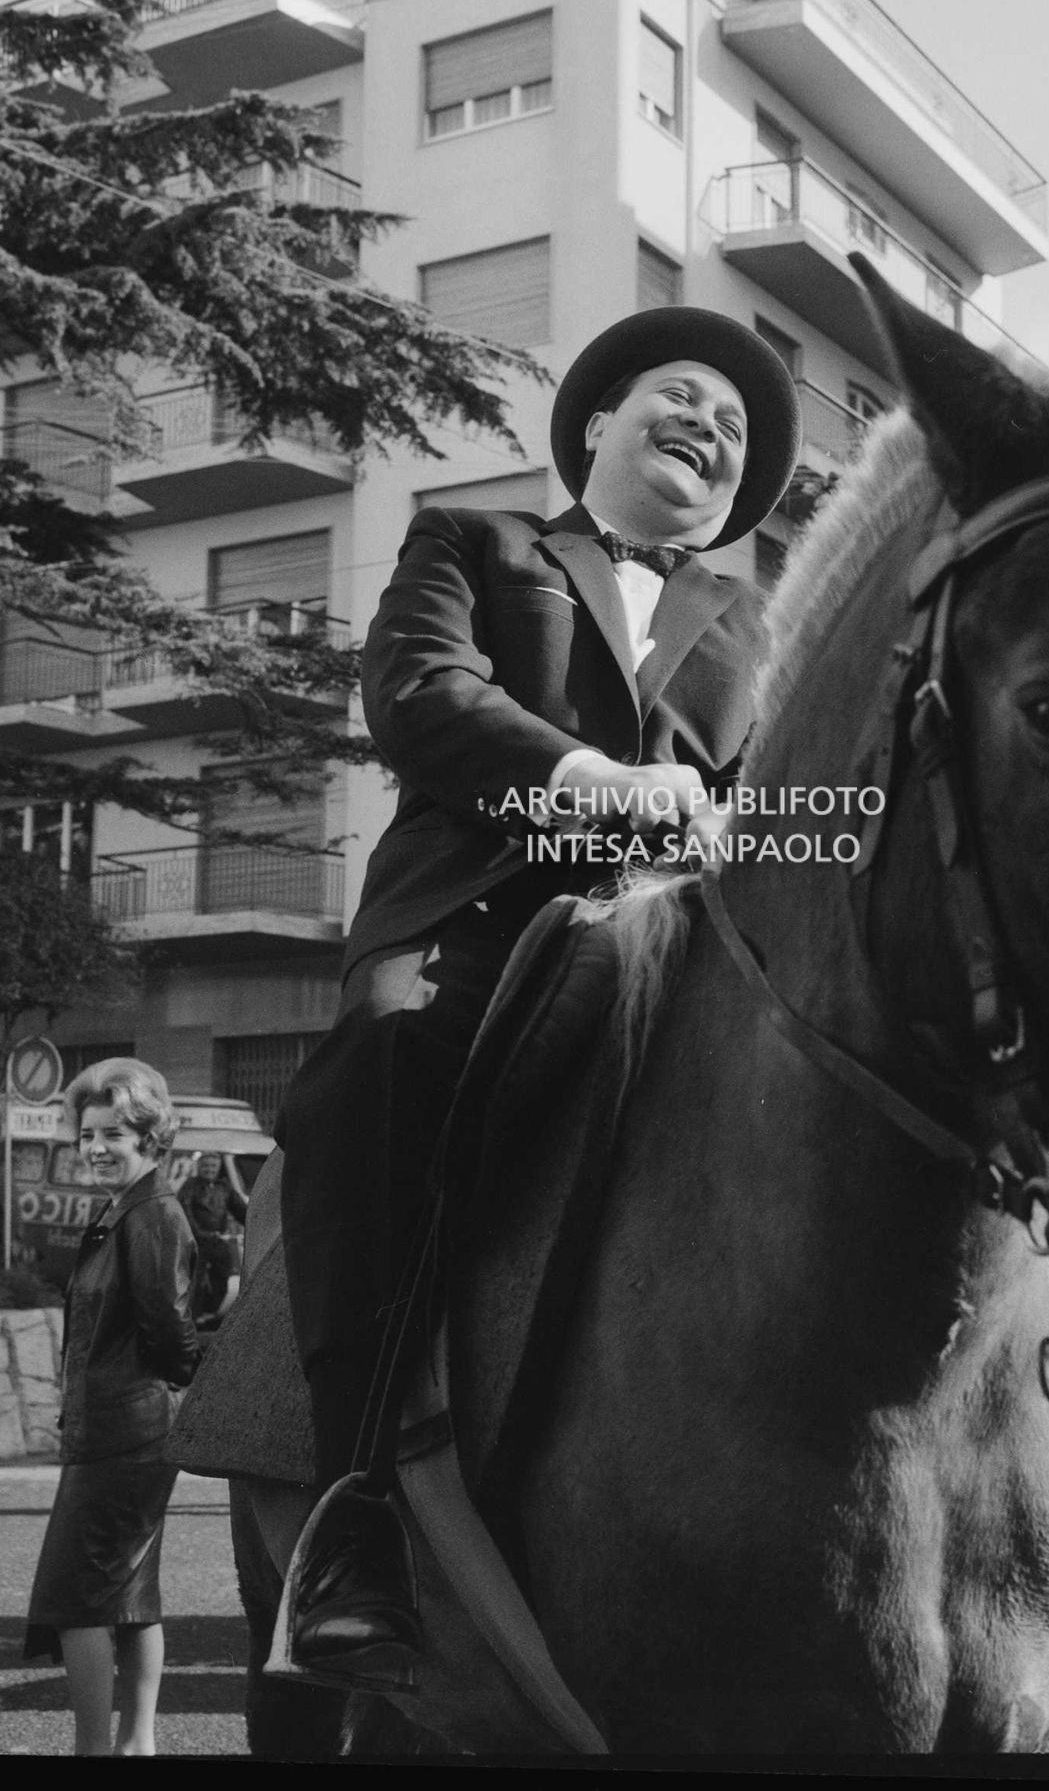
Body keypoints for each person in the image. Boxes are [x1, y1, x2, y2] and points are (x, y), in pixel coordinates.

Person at [275, 306, 802, 1683]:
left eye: (734, 428)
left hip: (686, 949)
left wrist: (762, 836)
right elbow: (419, 697)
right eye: (681, 397)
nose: (710, 423)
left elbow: (781, 805)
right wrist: (593, 785)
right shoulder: (476, 541)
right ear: (598, 427)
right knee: (380, 1062)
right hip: (475, 925)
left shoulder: (762, 620)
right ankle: (356, 1514)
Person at [25, 1057, 200, 1755]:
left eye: (113, 1134)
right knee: (129, 1597)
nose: (96, 1147)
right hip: (121, 1429)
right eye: (87, 1134)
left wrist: (152, 1397)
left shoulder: (152, 1212)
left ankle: (97, 1751)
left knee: (78, 1601)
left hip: (127, 1435)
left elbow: (171, 1333)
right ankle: (135, 1746)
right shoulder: (126, 1206)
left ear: (150, 1138)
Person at [178, 1150, 248, 1325]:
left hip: (218, 1242)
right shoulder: (189, 1186)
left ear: (218, 1168)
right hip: (196, 1242)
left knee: (223, 1279)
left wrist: (257, 1223)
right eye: (206, 1166)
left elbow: (242, 1211)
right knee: (195, 1282)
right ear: (199, 1167)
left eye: (213, 1166)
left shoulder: (224, 1188)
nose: (209, 1169)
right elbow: (185, 1214)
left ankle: (209, 1316)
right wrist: (200, 1234)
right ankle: (189, 1319)